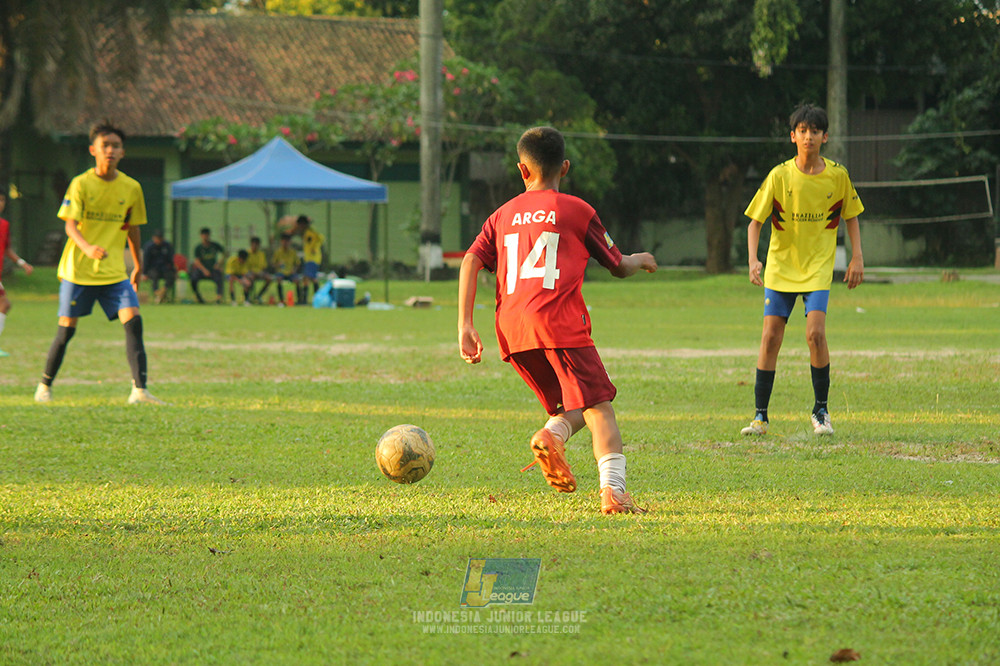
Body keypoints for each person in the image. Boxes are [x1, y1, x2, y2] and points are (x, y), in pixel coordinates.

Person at [458, 126, 658, 515]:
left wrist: (465, 324)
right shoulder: (577, 210)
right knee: (600, 405)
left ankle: (552, 435)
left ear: (522, 170)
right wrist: (640, 259)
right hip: (558, 324)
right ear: (564, 168)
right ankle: (614, 493)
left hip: (512, 331)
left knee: (572, 404)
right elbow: (617, 265)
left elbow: (470, 260)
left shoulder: (500, 215)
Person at [741, 104, 864, 437]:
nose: (808, 137)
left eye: (815, 131)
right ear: (792, 136)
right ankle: (760, 417)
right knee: (770, 338)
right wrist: (753, 259)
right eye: (802, 131)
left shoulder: (837, 176)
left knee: (816, 334)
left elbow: (851, 216)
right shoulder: (780, 175)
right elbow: (755, 223)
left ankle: (821, 411)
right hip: (781, 268)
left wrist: (857, 257)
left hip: (818, 267)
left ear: (825, 136)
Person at [35, 121, 164, 404]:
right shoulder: (81, 183)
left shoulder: (131, 187)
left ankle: (139, 391)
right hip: (78, 271)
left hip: (114, 273)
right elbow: (70, 225)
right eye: (105, 145)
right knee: (66, 330)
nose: (111, 151)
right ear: (93, 149)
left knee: (134, 322)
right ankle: (45, 385)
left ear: (123, 152)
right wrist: (87, 247)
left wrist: (138, 265)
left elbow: (133, 228)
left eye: (116, 146)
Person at [0, 188, 34, 357]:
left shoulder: (4, 225)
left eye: (2, 200)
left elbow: (7, 249)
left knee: (4, 305)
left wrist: (22, 263)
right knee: (4, 304)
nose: (0, 204)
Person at [295, 215, 324, 304]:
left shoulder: (309, 234)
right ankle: (318, 299)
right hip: (313, 258)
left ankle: (306, 300)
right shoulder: (311, 232)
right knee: (312, 277)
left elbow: (314, 241)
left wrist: (313, 249)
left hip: (312, 259)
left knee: (308, 278)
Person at [191, 227, 225, 304]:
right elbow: (197, 261)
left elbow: (225, 253)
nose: (205, 237)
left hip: (213, 269)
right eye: (204, 235)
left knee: (219, 277)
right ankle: (198, 296)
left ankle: (219, 298)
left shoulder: (214, 245)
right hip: (202, 270)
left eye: (207, 235)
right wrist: (204, 270)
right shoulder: (198, 248)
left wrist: (219, 264)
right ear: (201, 236)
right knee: (193, 278)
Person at [141, 229, 176, 303]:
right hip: (152, 269)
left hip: (164, 268)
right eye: (157, 238)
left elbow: (170, 260)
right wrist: (144, 273)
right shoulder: (149, 247)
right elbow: (146, 261)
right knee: (154, 276)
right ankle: (157, 293)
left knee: (171, 275)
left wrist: (174, 270)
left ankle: (163, 291)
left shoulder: (167, 246)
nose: (159, 240)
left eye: (160, 238)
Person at [271, 233, 302, 305]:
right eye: (284, 241)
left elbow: (298, 263)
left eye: (287, 241)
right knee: (279, 279)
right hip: (281, 272)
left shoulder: (293, 252)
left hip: (291, 272)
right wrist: (278, 265)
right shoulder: (278, 252)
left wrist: (294, 270)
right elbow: (273, 264)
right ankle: (281, 301)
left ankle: (300, 300)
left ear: (290, 242)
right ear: (281, 242)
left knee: (297, 281)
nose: (285, 243)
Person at [246, 235, 272, 303]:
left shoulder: (261, 254)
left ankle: (259, 295)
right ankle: (248, 297)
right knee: (251, 277)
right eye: (253, 244)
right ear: (251, 244)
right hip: (249, 272)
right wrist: (253, 272)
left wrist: (261, 272)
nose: (255, 246)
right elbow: (245, 266)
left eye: (257, 245)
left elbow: (264, 266)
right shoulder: (247, 253)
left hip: (259, 272)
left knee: (269, 278)